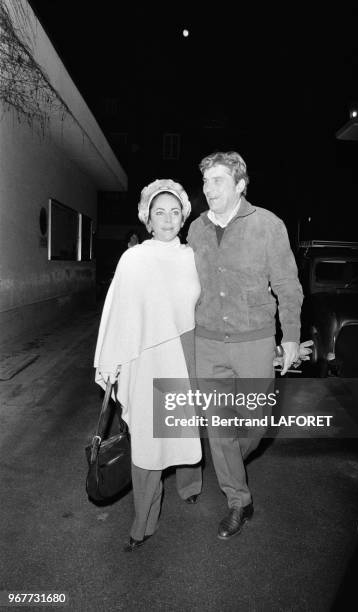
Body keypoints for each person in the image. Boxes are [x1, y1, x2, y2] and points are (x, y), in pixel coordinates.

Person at [187, 151, 304, 540]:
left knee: (256, 424)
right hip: (207, 343)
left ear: (240, 184)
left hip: (254, 341)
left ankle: (229, 458)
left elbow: (288, 285)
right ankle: (238, 500)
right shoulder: (196, 229)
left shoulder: (268, 225)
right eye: (205, 182)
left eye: (217, 180)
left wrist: (289, 336)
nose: (208, 189)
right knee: (219, 428)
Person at [94, 179, 202, 551]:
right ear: (147, 219)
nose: (168, 219)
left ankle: (190, 486)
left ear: (184, 217)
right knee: (148, 443)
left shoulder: (193, 257)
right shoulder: (134, 258)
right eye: (160, 212)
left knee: (183, 434)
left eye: (175, 212)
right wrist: (111, 361)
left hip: (183, 357)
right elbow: (117, 312)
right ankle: (143, 522)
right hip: (145, 359)